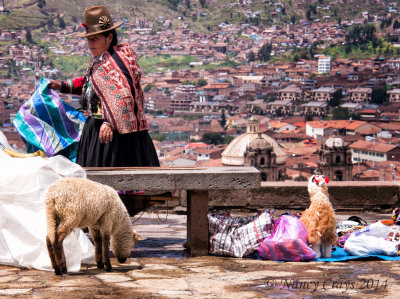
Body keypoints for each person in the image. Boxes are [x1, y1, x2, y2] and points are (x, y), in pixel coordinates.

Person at [49, 6, 159, 168]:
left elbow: (126, 95)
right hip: (97, 131)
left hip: (116, 137)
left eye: (95, 39)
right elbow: (91, 85)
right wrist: (61, 86)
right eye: (88, 39)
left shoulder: (118, 61)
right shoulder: (100, 61)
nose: (90, 44)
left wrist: (109, 123)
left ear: (109, 37)